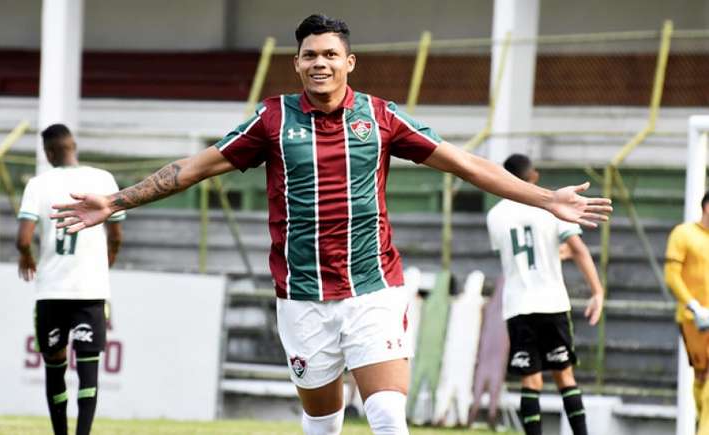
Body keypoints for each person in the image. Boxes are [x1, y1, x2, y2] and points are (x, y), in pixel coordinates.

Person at [51, 15, 611, 435]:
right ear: (297, 64)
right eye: (309, 55)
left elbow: (466, 163)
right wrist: (115, 201)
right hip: (302, 297)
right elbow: (194, 168)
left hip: (375, 288)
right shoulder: (271, 119)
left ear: (349, 63)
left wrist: (544, 198)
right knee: (323, 420)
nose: (319, 62)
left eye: (329, 54)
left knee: (388, 414)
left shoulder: (382, 117)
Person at [16, 124, 125, 435]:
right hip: (90, 290)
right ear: (73, 146)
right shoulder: (103, 179)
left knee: (55, 368)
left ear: (49, 152)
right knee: (89, 372)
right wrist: (107, 261)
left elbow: (23, 239)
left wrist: (27, 258)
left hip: (51, 291)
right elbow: (116, 235)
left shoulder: (38, 184)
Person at [486, 154, 605, 435]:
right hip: (551, 301)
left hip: (517, 305)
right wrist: (597, 291)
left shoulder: (495, 215)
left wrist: (553, 253)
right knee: (564, 376)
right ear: (534, 177)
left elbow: (516, 256)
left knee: (531, 380)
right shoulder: (549, 207)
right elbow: (577, 249)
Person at [665, 191, 709, 434]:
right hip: (695, 319)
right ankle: (701, 421)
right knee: (702, 376)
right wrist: (694, 305)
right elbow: (672, 275)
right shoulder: (684, 234)